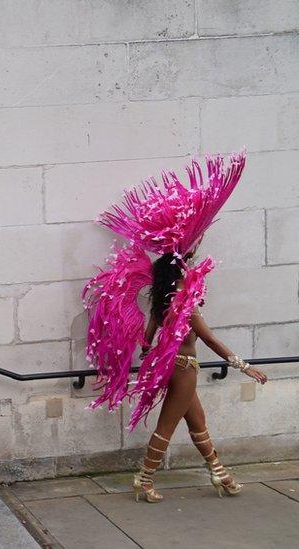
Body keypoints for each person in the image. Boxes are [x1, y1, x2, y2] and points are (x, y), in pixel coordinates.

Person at [83, 151, 267, 502]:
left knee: (197, 422)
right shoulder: (184, 301)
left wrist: (150, 354)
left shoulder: (162, 299)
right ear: (184, 270)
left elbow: (149, 337)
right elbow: (209, 338)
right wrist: (245, 367)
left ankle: (220, 474)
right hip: (183, 368)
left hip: (170, 367)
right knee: (167, 428)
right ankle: (144, 479)